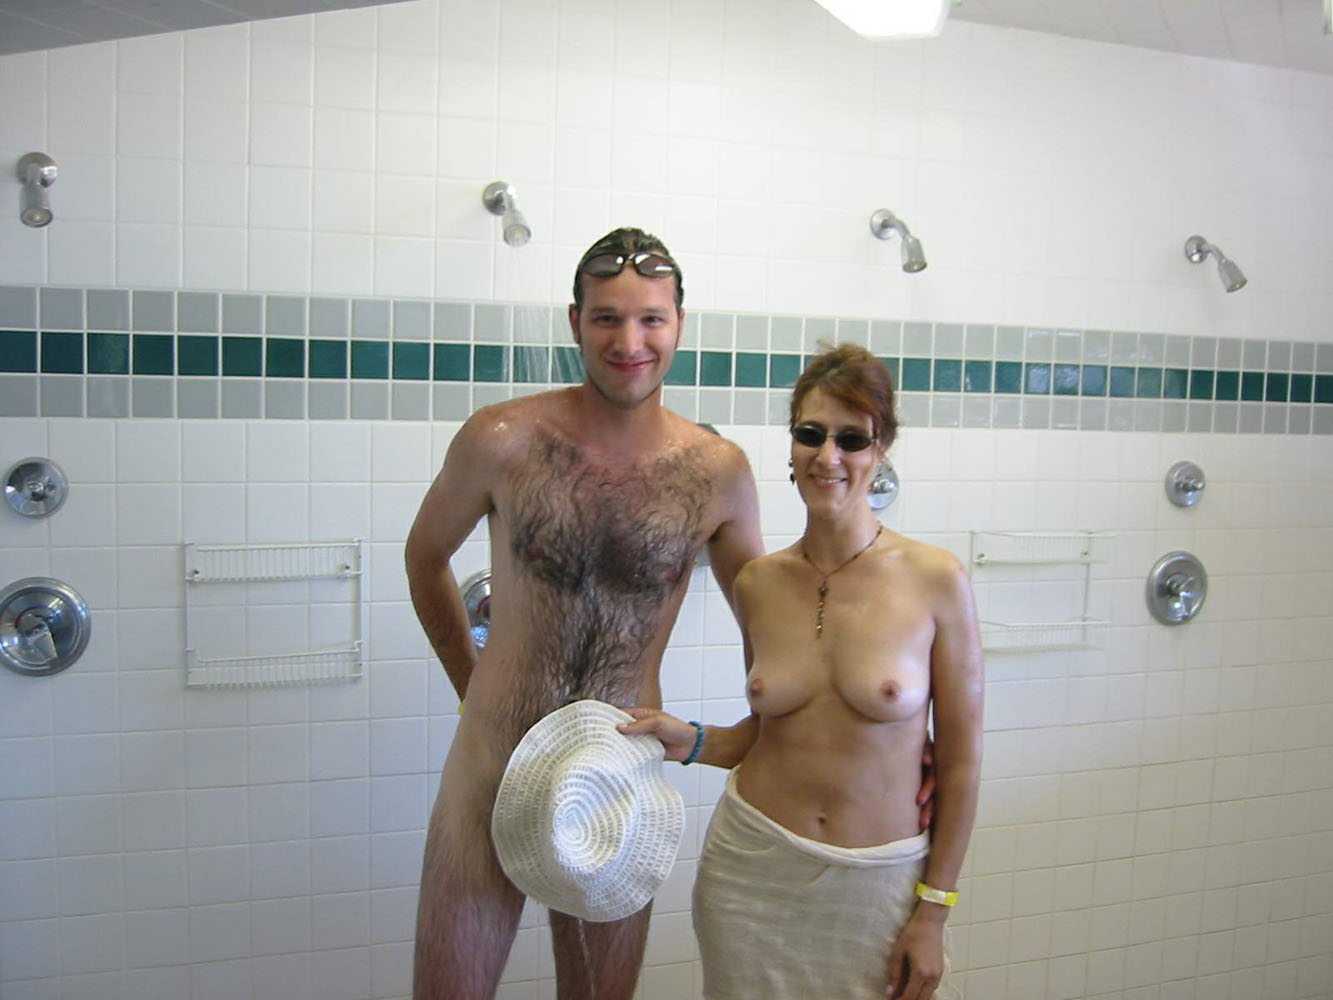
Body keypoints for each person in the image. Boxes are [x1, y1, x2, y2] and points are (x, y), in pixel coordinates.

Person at [404, 226, 765, 999]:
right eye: (606, 318)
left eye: (650, 319)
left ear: (679, 324)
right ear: (575, 322)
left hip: (617, 782)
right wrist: (471, 687)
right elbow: (424, 557)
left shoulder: (716, 473)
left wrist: (747, 740)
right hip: (491, 766)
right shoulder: (503, 441)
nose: (629, 342)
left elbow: (771, 629)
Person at [620, 343, 984, 1000]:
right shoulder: (758, 583)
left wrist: (934, 909)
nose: (828, 456)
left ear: (881, 450)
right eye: (810, 434)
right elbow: (769, 735)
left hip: (877, 884)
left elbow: (959, 763)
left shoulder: (936, 581)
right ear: (791, 446)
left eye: (852, 439)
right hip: (751, 871)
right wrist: (691, 740)